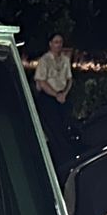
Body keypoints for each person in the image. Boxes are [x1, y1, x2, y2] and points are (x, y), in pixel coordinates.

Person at [32, 33, 75, 168]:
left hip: (63, 97)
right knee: (53, 129)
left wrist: (64, 93)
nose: (58, 45)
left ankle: (66, 155)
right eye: (56, 42)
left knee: (64, 126)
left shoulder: (65, 60)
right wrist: (56, 94)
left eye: (60, 42)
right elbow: (41, 81)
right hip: (49, 98)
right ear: (50, 44)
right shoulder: (44, 60)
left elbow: (69, 79)